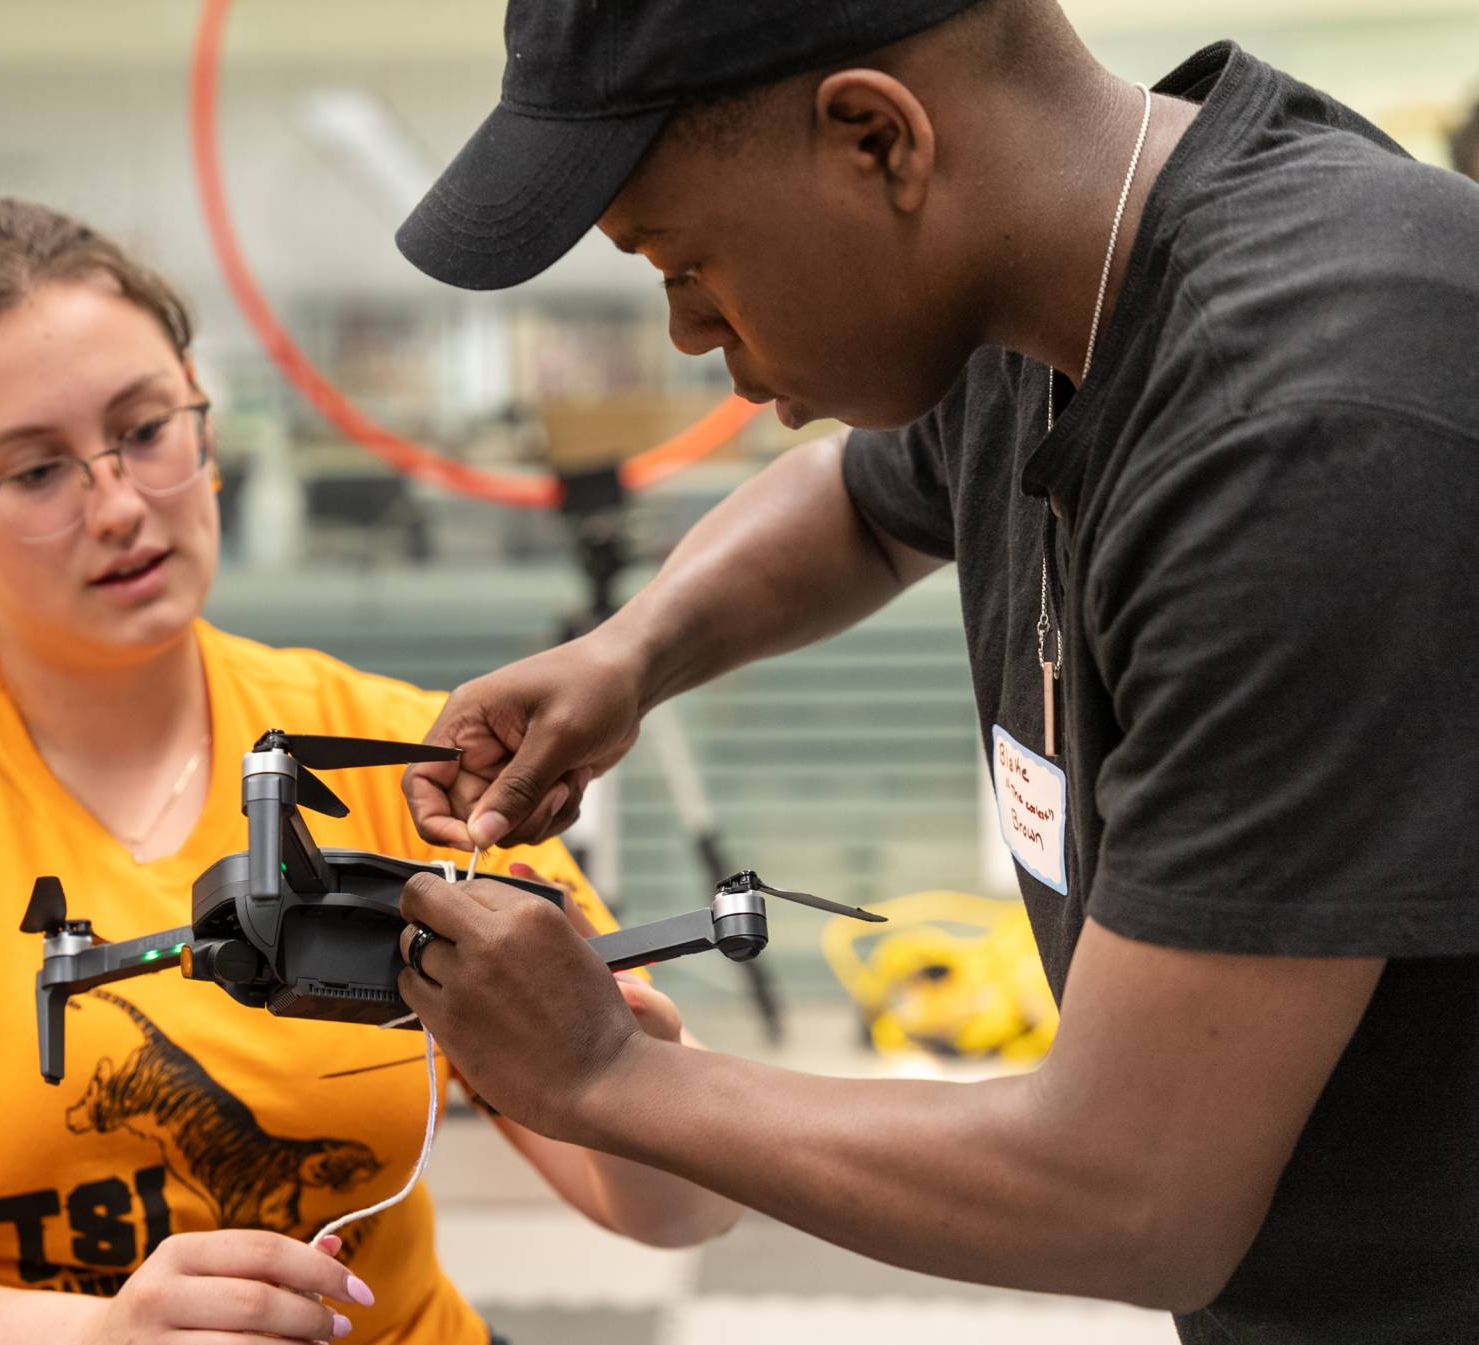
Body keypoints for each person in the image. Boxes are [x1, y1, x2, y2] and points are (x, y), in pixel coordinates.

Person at [387, 2, 1479, 1342]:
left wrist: (600, 1073)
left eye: (680, 259)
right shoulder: (1057, 288)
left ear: (875, 138)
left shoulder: (1305, 423)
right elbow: (861, 502)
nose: (682, 330)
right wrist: (632, 653)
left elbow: (1135, 1192)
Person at [0, 196, 737, 1345]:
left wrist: (637, 1085)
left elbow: (676, 1213)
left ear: (205, 424)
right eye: (34, 473)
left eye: (147, 429)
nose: (118, 506)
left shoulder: (390, 759)